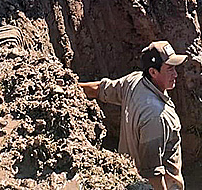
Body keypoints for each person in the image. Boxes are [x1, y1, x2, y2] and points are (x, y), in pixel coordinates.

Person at [79, 41, 187, 190]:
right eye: (169, 69)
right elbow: (153, 173)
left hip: (128, 177)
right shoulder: (157, 116)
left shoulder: (134, 82)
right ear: (153, 72)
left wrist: (70, 87)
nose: (175, 74)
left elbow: (100, 89)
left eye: (174, 68)